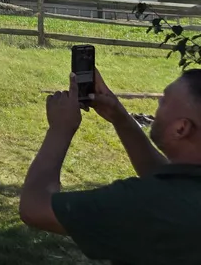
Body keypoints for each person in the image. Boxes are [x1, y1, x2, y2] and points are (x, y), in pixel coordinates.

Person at [19, 68, 201, 263]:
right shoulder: (185, 193)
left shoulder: (148, 204)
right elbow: (167, 180)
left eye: (165, 100)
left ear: (181, 128)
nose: (158, 102)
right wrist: (120, 117)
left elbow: (34, 208)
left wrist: (60, 129)